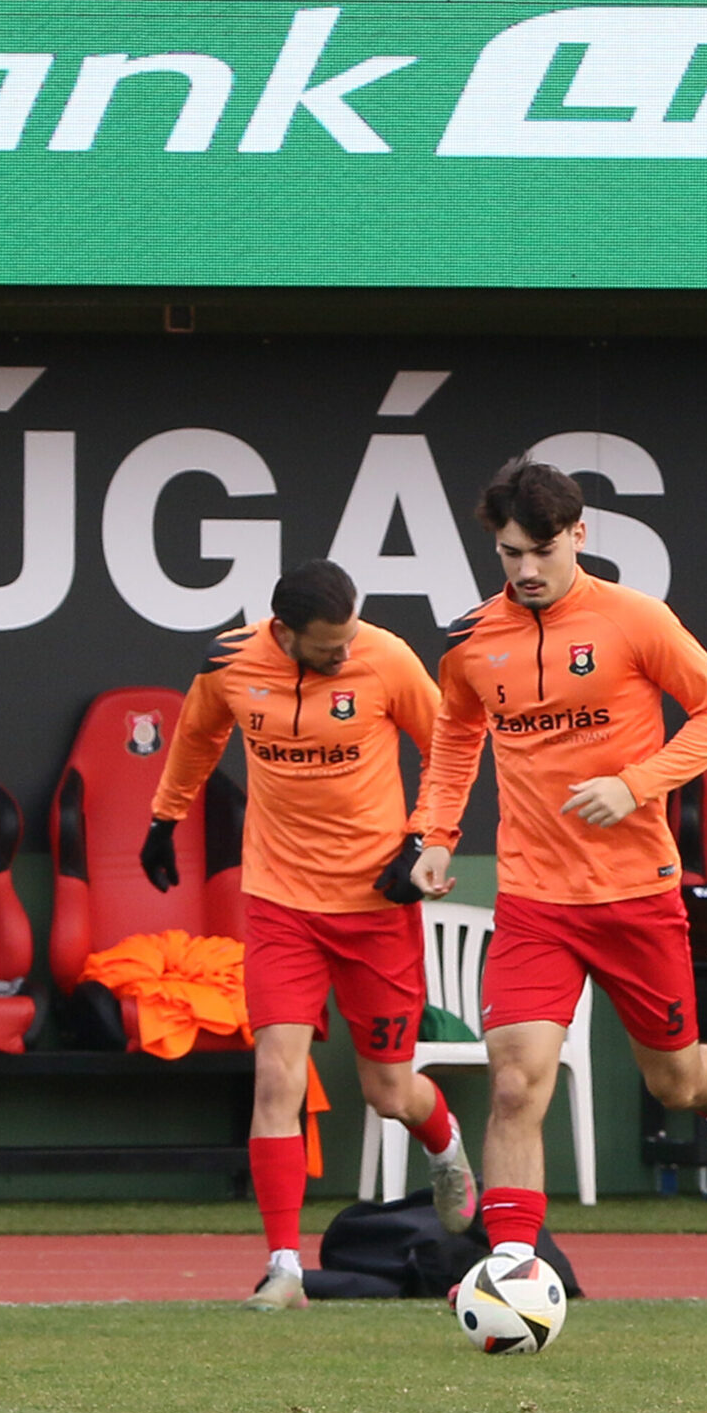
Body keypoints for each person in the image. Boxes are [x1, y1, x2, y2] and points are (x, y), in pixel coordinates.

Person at [409, 460, 707, 1282]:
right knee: (514, 1082)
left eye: (543, 550)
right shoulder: (469, 642)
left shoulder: (635, 618)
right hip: (534, 898)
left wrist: (636, 783)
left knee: (676, 1080)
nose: (528, 569)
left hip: (637, 893)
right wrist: (436, 835)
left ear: (578, 534)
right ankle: (512, 1268)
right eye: (511, 554)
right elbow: (456, 737)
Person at [145, 560, 474, 1312]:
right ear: (285, 633)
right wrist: (166, 816)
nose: (344, 652)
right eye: (328, 646)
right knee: (276, 1078)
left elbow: (451, 746)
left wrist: (422, 840)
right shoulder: (231, 663)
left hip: (374, 904)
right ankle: (284, 1267)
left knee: (388, 1091)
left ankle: (446, 1147)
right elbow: (197, 737)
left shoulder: (386, 658)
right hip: (280, 902)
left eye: (349, 636)